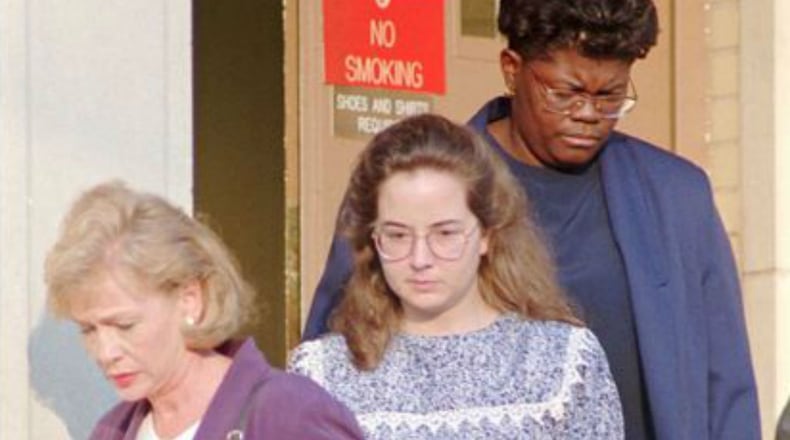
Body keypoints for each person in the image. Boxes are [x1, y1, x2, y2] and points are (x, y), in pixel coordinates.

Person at [303, 0, 761, 439]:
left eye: (610, 96)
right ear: (511, 69)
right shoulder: (410, 188)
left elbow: (726, 390)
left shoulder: (676, 197)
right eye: (564, 93)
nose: (588, 114)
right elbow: (338, 349)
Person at [289, 113, 624, 438]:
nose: (420, 259)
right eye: (397, 235)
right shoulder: (323, 374)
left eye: (445, 234)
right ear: (372, 239)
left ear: (486, 234)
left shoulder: (561, 362)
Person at [44, 181, 364, 440]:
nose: (105, 352)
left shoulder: (288, 413)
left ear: (190, 299)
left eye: (124, 325)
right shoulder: (111, 431)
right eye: (88, 329)